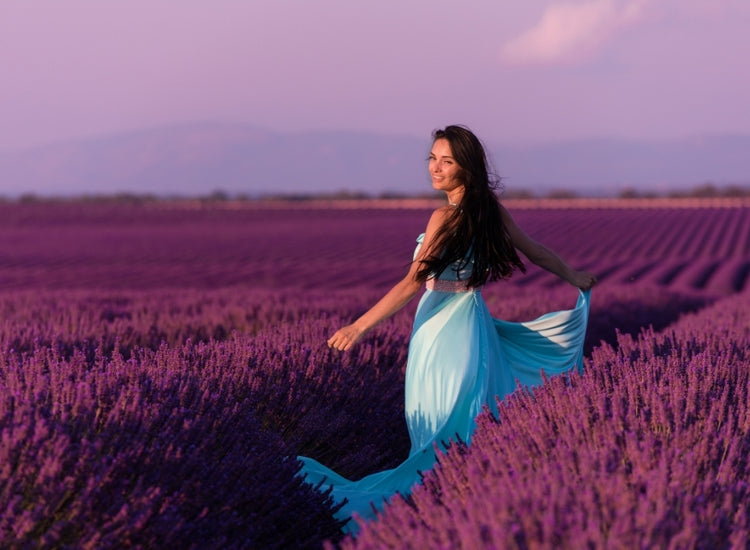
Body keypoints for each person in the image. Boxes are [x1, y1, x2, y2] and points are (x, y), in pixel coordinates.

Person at [298, 125, 597, 534]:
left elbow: (412, 282)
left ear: (467, 167)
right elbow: (537, 252)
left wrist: (359, 326)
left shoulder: (445, 216)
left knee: (436, 420)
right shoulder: (489, 212)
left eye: (447, 161)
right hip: (473, 322)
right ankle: (465, 506)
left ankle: (427, 509)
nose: (435, 168)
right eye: (432, 159)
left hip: (440, 330)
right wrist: (574, 276)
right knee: (466, 415)